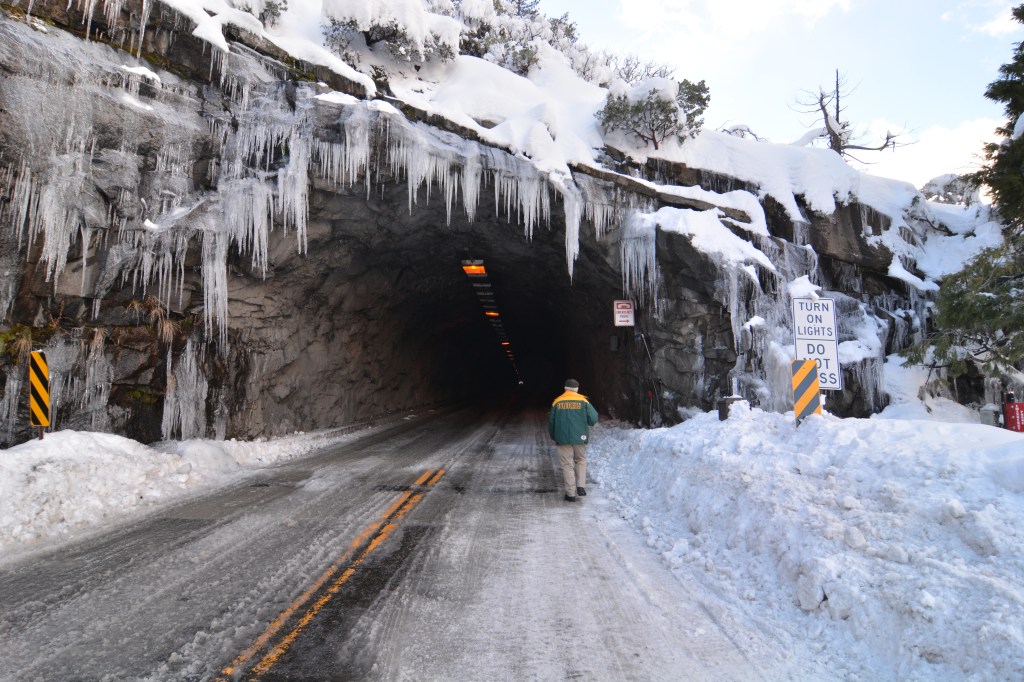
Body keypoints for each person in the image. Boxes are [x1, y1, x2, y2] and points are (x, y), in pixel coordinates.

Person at [548, 379, 599, 502]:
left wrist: (554, 435)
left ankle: (570, 494)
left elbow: (551, 422)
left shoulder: (557, 402)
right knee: (580, 460)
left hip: (562, 438)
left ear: (565, 389)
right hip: (580, 437)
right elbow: (593, 419)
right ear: (577, 389)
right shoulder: (583, 401)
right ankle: (580, 486)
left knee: (567, 465)